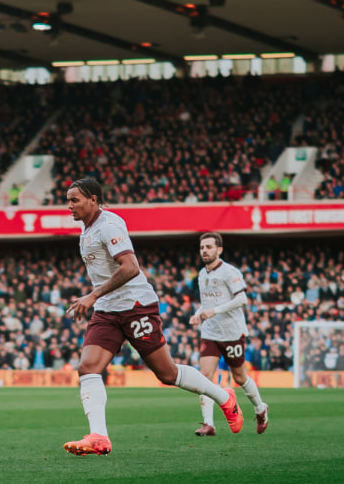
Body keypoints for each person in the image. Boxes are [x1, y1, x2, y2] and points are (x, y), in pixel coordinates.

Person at [62, 178, 243, 456]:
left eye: (75, 200)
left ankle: (224, 397)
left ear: (93, 200)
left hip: (136, 306)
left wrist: (92, 295)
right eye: (68, 199)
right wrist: (98, 298)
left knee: (167, 374)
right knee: (88, 367)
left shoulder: (108, 225)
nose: (69, 205)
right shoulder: (86, 232)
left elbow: (131, 267)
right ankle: (99, 436)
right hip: (108, 310)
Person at [189, 232, 270, 435]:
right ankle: (209, 424)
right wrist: (198, 314)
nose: (205, 251)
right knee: (205, 376)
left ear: (219, 250)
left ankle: (261, 408)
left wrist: (213, 312)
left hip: (232, 332)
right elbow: (207, 303)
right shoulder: (201, 274)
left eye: (209, 247)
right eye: (202, 247)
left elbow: (242, 299)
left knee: (240, 377)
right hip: (210, 332)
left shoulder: (229, 272)